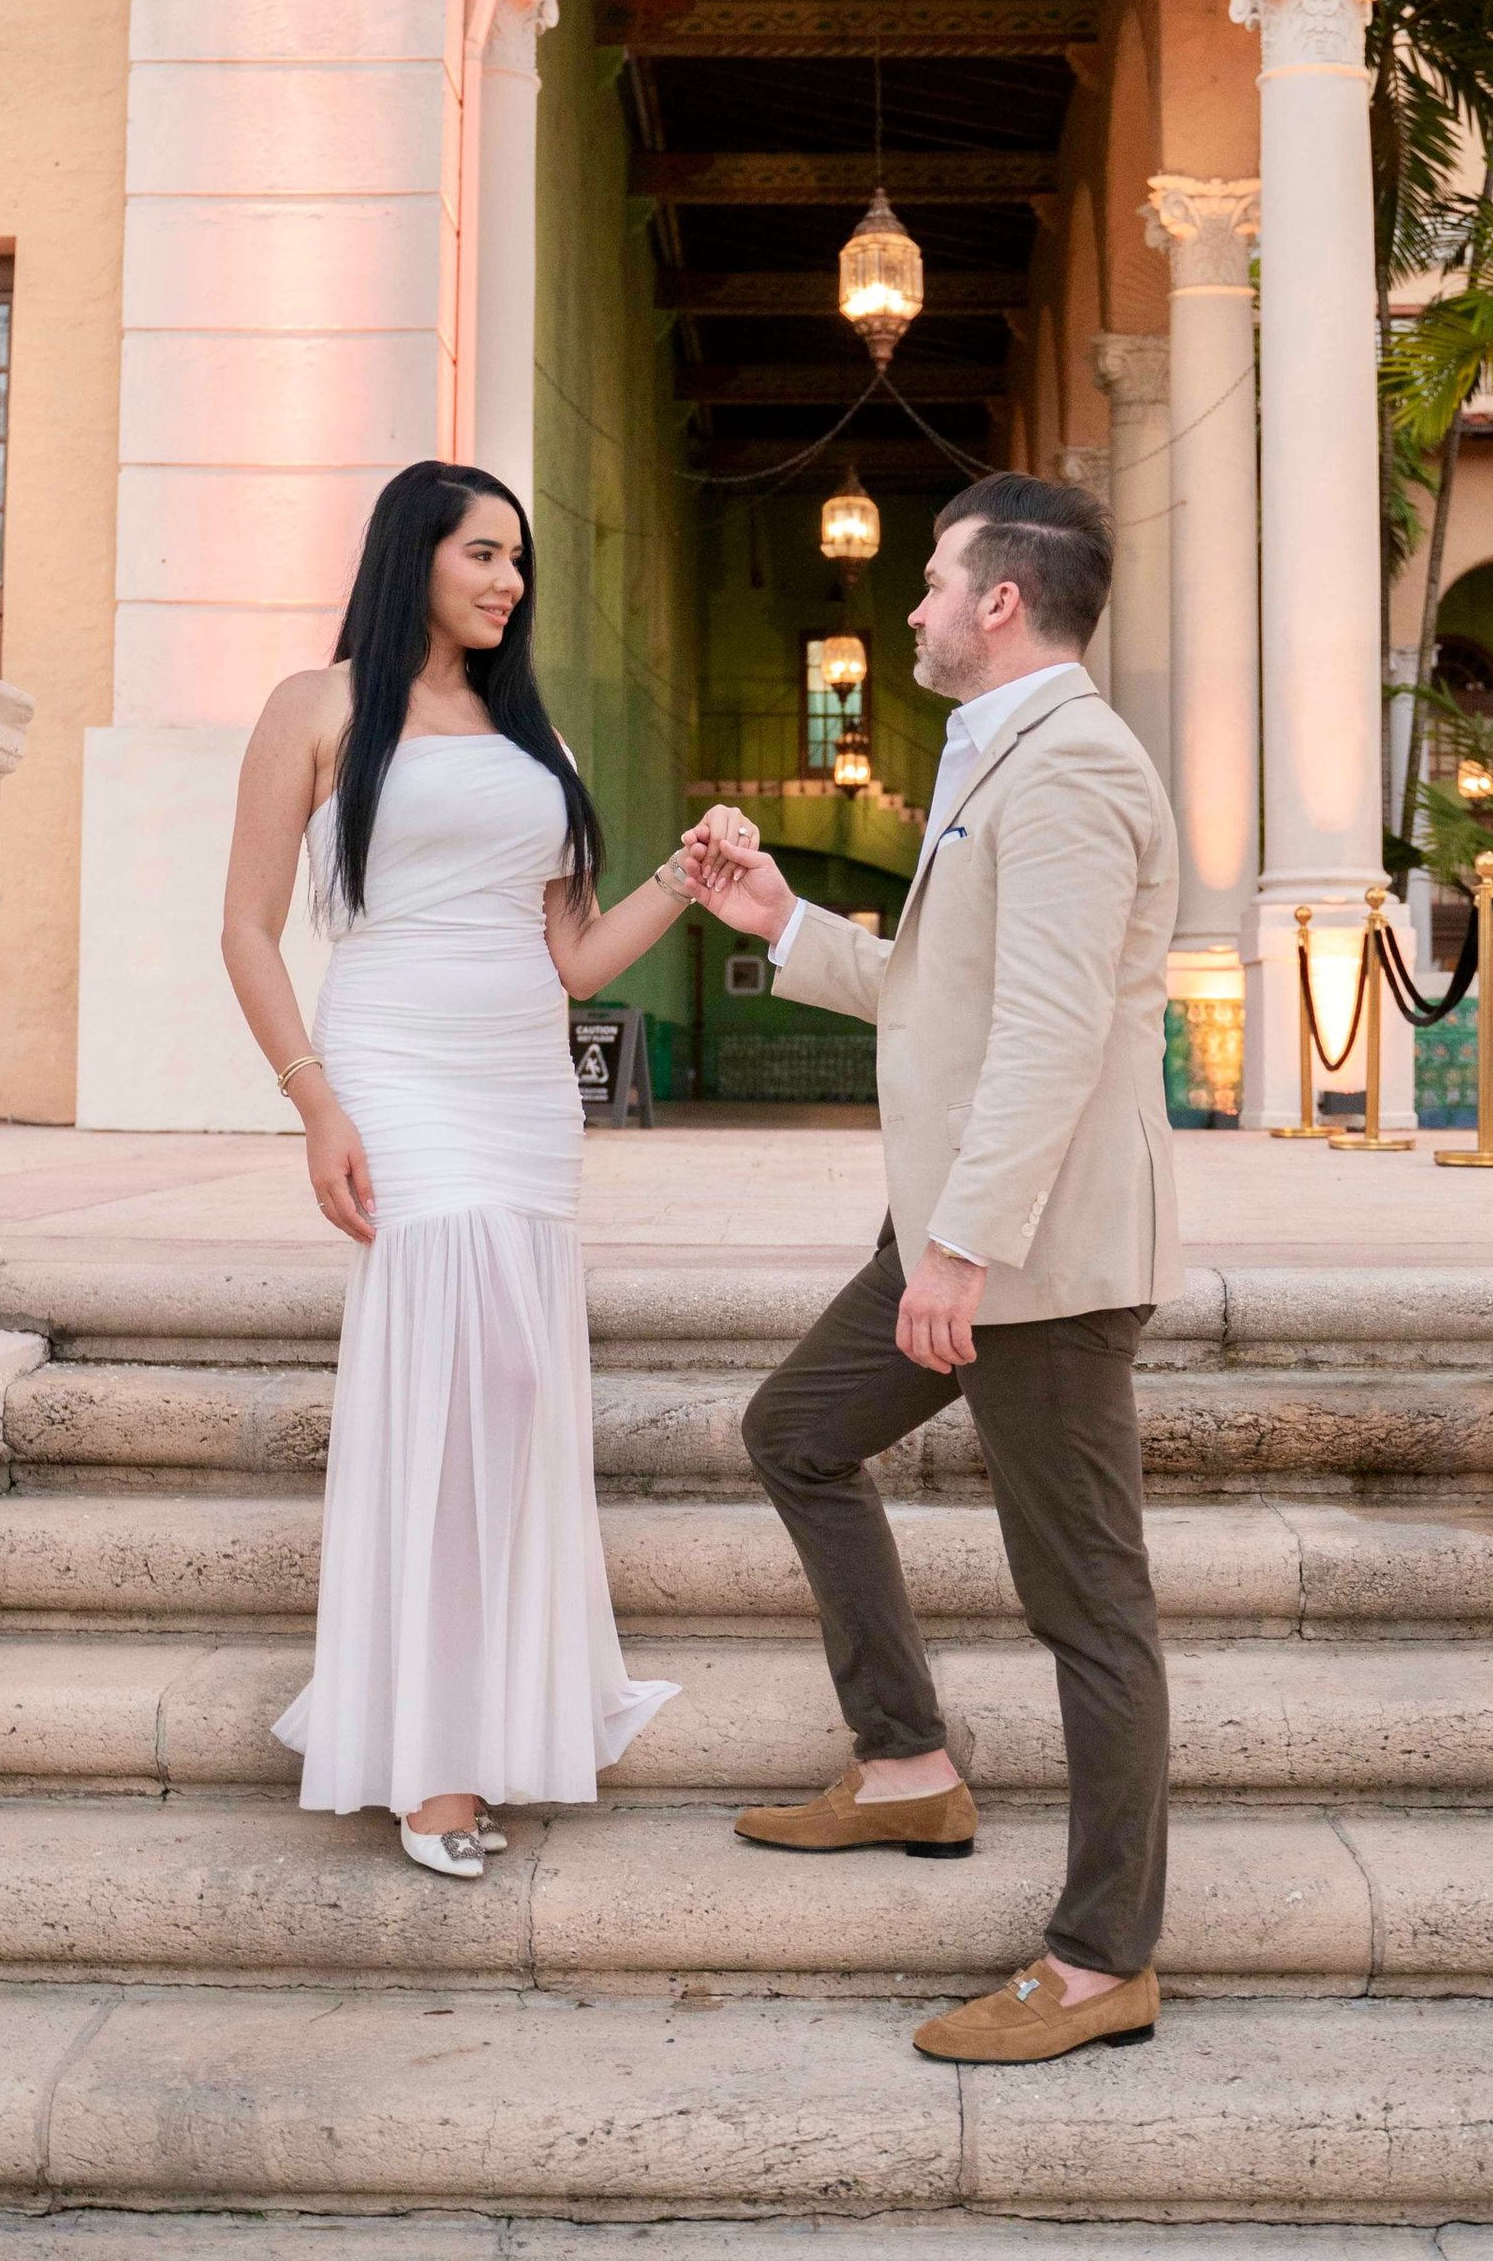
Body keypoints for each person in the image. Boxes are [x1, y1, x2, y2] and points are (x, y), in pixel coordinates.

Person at [685, 470, 1180, 2064]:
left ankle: (1105, 1958)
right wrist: (782, 920)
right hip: (957, 1231)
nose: (910, 605)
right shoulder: (1000, 762)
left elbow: (1046, 1036)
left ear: (1002, 602)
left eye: (933, 577)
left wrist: (959, 1246)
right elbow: (949, 991)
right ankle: (907, 1765)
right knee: (797, 1431)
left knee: (1090, 1610)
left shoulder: (1071, 770)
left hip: (1030, 1258)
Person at [220, 459, 705, 1879]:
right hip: (395, 1067)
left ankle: (503, 1706)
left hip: (518, 1083)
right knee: (439, 1380)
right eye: (484, 553)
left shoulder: (529, 731)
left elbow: (572, 953)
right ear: (413, 553)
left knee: (509, 1384)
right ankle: (426, 1758)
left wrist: (681, 878)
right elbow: (248, 927)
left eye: (518, 562)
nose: (507, 581)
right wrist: (313, 1099)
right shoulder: (315, 708)